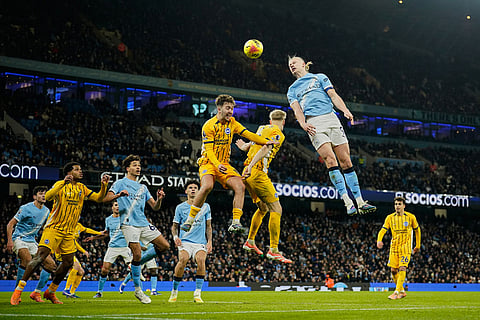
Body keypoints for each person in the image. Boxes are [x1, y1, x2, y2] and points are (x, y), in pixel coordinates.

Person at [287, 56, 376, 216]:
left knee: (346, 161)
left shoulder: (320, 77)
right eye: (289, 65)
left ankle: (361, 202)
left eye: (294, 62)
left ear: (303, 64)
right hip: (314, 123)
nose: (291, 65)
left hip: (332, 119)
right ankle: (347, 202)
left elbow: (333, 95)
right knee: (330, 160)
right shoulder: (292, 89)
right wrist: (303, 123)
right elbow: (297, 110)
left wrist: (345, 110)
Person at [10, 162, 109, 305]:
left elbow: (99, 198)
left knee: (68, 262)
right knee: (39, 257)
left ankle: (50, 292)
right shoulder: (59, 184)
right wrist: (63, 182)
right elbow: (49, 197)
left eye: (81, 169)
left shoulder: (82, 188)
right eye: (77, 170)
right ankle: (18, 291)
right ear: (69, 173)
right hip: (54, 228)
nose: (80, 172)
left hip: (69, 232)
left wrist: (104, 185)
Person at [180, 94, 276, 234]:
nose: (231, 111)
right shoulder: (208, 126)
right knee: (207, 186)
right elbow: (209, 150)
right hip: (208, 162)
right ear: (219, 109)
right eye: (228, 108)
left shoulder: (232, 123)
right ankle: (190, 219)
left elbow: (248, 134)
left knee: (240, 186)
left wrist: (265, 141)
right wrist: (217, 164)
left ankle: (236, 222)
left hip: (224, 164)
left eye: (232, 109)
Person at [102, 154, 170, 304]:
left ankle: (134, 264)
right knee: (137, 253)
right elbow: (105, 199)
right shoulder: (120, 183)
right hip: (128, 223)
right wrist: (119, 195)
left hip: (143, 223)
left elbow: (155, 207)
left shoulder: (143, 187)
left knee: (165, 246)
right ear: (127, 168)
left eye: (139, 165)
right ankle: (138, 290)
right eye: (134, 165)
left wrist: (159, 199)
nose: (138, 167)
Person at [235, 109, 292, 263]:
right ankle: (274, 249)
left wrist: (243, 148)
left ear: (270, 119)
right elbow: (265, 148)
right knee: (276, 209)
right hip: (256, 172)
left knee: (263, 208)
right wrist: (251, 166)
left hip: (247, 171)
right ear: (284, 121)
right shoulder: (278, 134)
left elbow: (251, 145)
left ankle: (250, 241)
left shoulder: (261, 128)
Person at [7, 186, 55, 303]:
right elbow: (10, 224)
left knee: (51, 265)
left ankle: (36, 293)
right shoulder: (26, 208)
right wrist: (9, 240)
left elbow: (45, 229)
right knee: (28, 261)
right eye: (40, 193)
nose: (43, 195)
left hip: (32, 241)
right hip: (20, 238)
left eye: (45, 193)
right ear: (35, 196)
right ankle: (17, 293)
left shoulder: (46, 211)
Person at [170, 180, 212, 303]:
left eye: (195, 187)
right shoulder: (180, 208)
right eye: (190, 187)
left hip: (200, 242)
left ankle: (197, 294)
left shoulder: (205, 206)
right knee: (182, 260)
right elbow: (174, 226)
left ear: (199, 191)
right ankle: (174, 291)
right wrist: (175, 237)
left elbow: (209, 226)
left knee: (201, 260)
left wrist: (210, 242)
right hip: (185, 241)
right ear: (186, 191)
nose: (193, 189)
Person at [377, 196, 421, 300]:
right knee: (393, 270)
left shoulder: (411, 217)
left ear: (404, 206)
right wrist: (379, 239)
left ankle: (396, 292)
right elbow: (383, 229)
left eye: (399, 204)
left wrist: (418, 245)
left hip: (405, 247)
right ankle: (402, 291)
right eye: (396, 204)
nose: (397, 206)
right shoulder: (390, 217)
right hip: (394, 247)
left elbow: (417, 231)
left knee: (402, 268)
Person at [87, 201, 133, 299]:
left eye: (119, 205)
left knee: (134, 269)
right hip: (112, 247)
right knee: (104, 270)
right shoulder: (108, 220)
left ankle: (139, 291)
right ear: (112, 207)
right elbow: (106, 233)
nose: (117, 207)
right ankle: (99, 292)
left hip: (125, 247)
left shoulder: (126, 218)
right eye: (116, 205)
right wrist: (93, 238)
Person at [61, 222, 103, 298]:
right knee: (76, 266)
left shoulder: (78, 225)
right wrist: (83, 251)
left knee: (81, 272)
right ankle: (66, 289)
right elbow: (73, 241)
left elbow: (87, 230)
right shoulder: (68, 226)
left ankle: (71, 293)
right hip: (63, 251)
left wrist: (99, 233)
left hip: (70, 251)